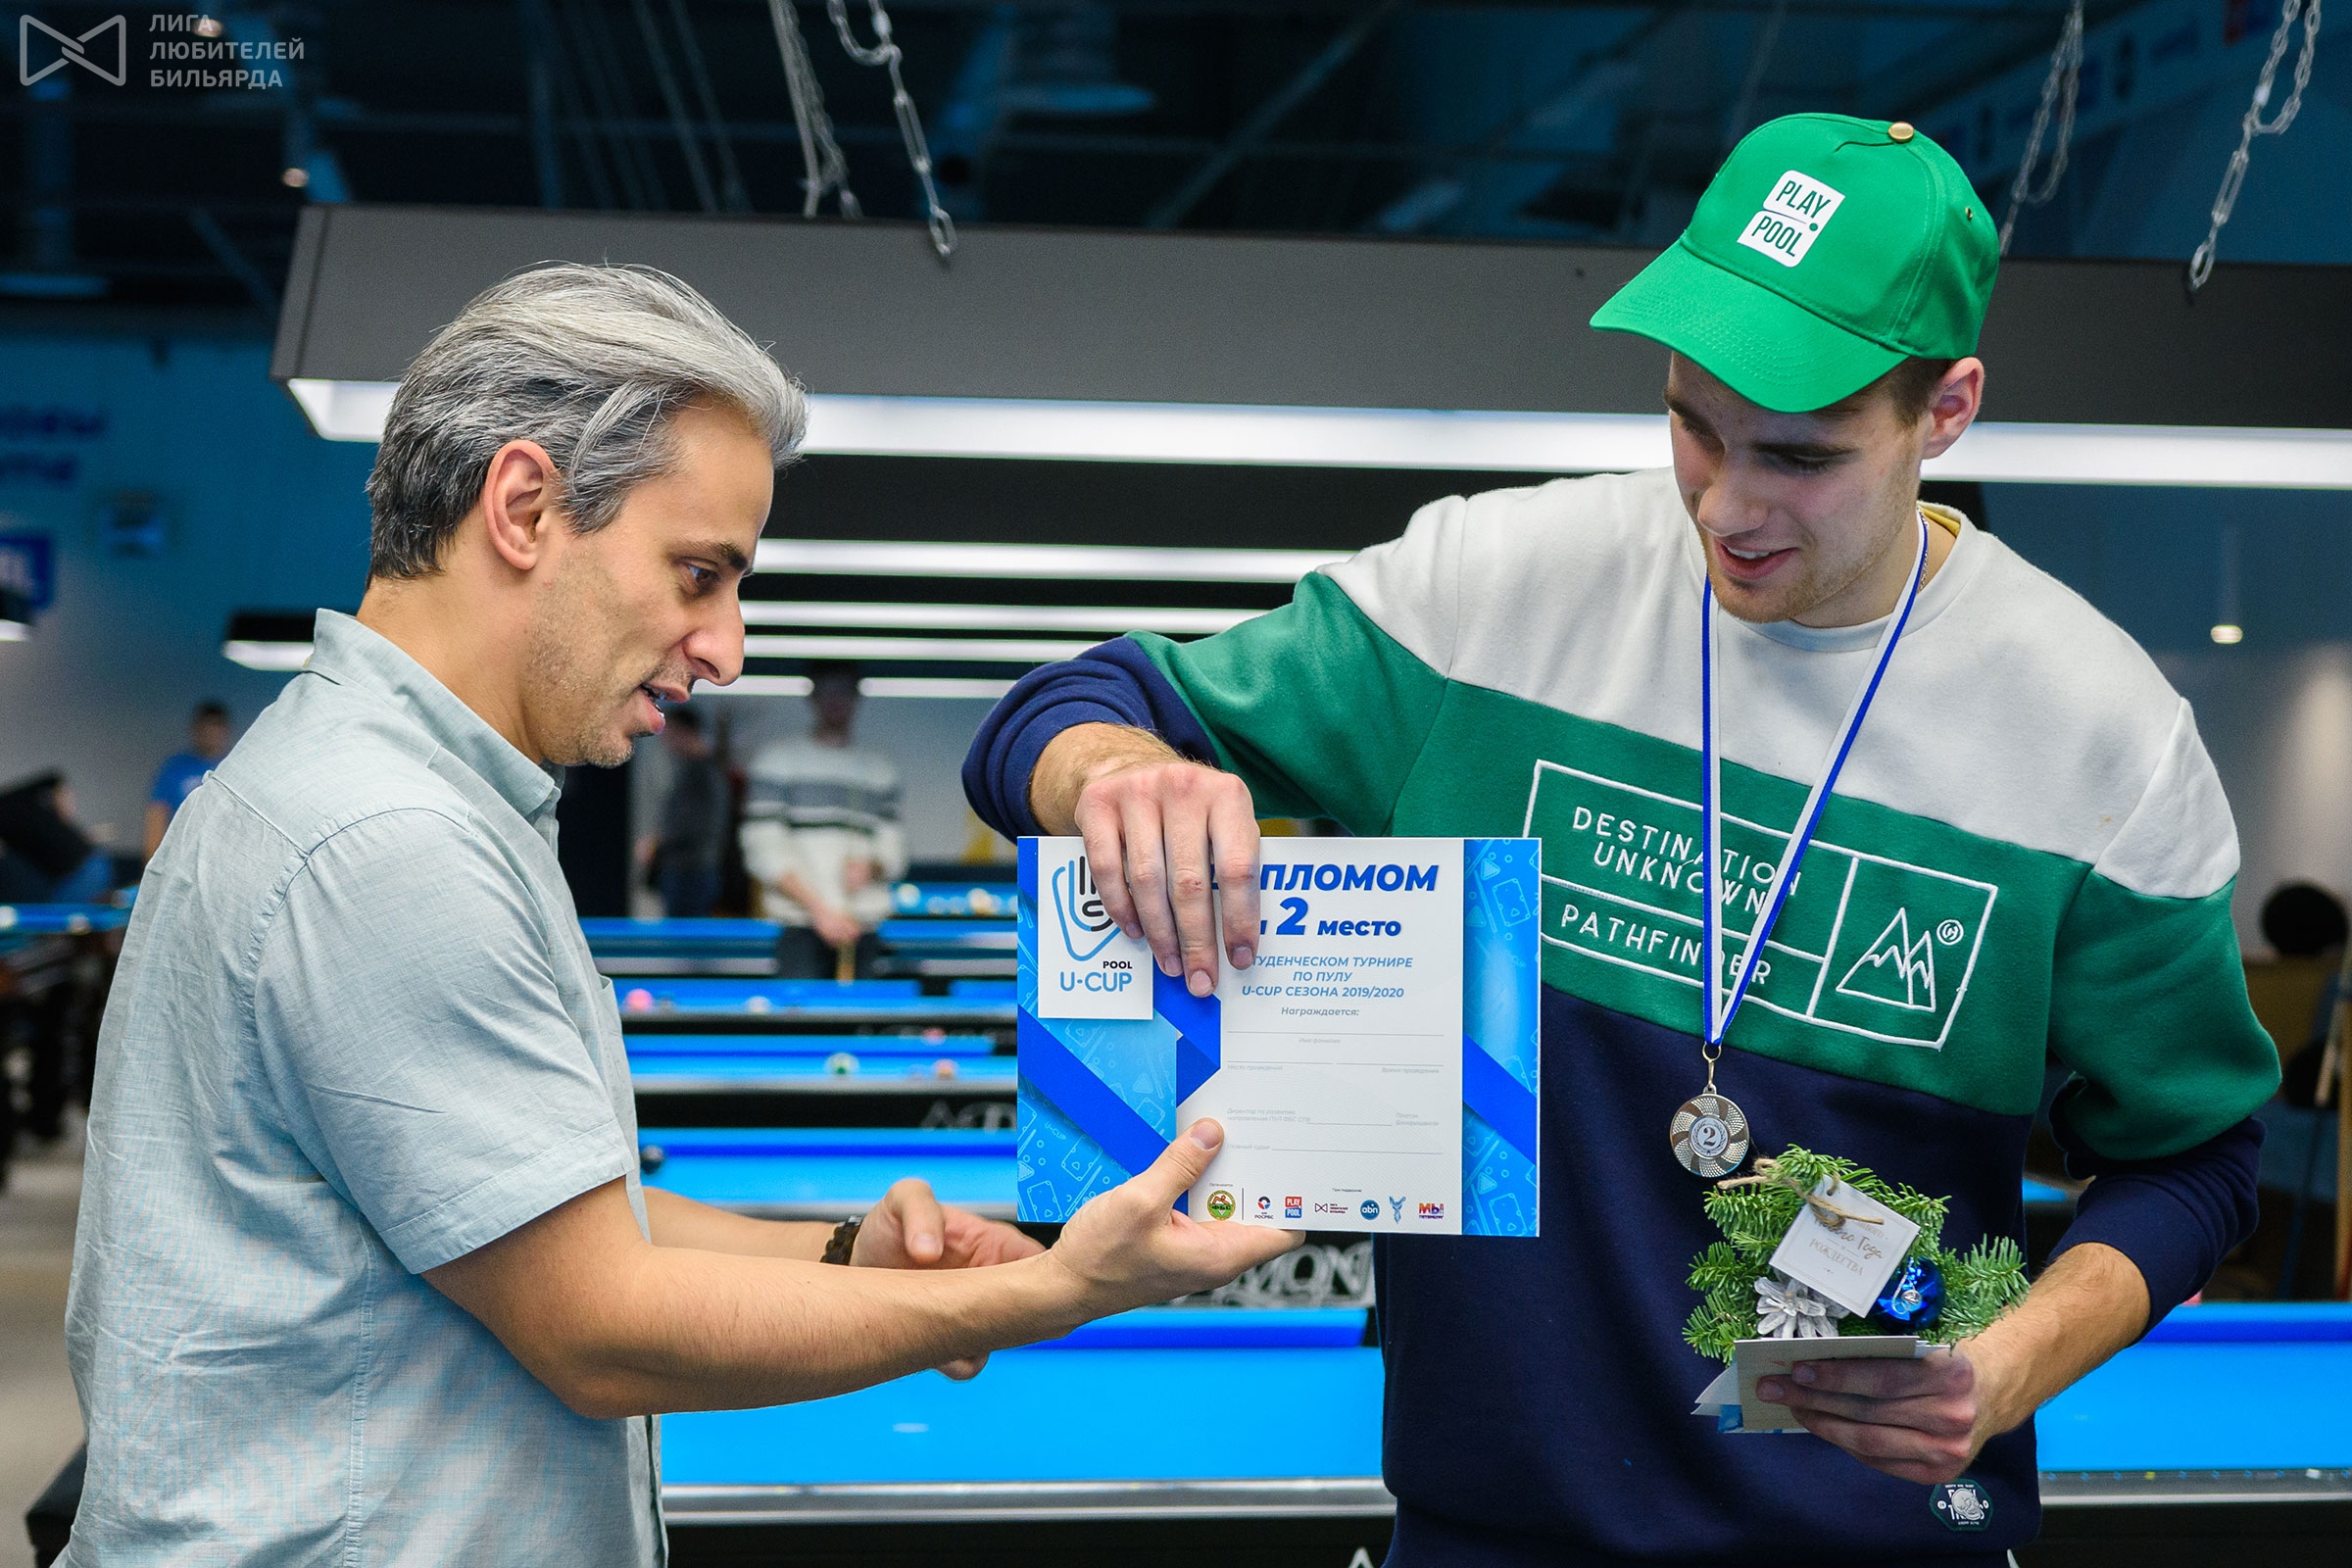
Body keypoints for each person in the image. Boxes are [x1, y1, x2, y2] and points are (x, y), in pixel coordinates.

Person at [964, 115, 2278, 1564]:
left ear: (1948, 409)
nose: (1729, 505)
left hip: (1883, 1538)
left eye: (1802, 455)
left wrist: (2019, 1356)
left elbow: (2199, 1156)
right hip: (1484, 1535)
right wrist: (1116, 771)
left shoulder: (2104, 739)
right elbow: (1058, 714)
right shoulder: (1489, 595)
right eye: (1694, 425)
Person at [66, 263, 1295, 1564]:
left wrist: (847, 1254)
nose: (729, 646)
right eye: (698, 572)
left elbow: (558, 1221)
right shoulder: (391, 841)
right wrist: (1050, 1291)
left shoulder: (374, 786)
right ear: (525, 507)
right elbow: (601, 1323)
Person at [741, 661, 904, 978]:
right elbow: (763, 850)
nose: (835, 701)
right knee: (800, 1011)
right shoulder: (776, 763)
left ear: (856, 699)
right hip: (797, 927)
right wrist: (820, 911)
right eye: (827, 692)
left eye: (843, 692)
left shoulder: (879, 770)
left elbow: (894, 851)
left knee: (863, 1011)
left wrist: (871, 868)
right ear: (812, 698)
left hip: (862, 926)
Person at [638, 704, 728, 917]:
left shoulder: (703, 772)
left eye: (668, 731)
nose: (665, 740)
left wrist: (657, 843)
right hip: (690, 867)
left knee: (685, 933)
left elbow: (695, 823)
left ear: (684, 731)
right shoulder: (698, 769)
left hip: (691, 869)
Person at [142, 699, 229, 859]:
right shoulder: (175, 768)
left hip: (219, 856)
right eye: (205, 726)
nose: (210, 732)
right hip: (178, 855)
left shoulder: (230, 769)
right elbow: (156, 817)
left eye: (216, 726)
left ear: (225, 731)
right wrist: (150, 862)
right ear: (195, 729)